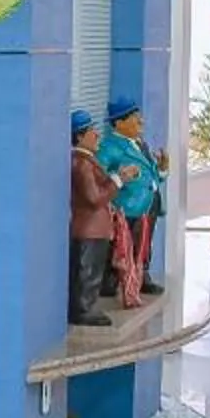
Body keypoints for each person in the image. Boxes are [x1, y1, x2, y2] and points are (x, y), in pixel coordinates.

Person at [96, 96, 168, 304]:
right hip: (128, 206)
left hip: (149, 202)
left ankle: (142, 275)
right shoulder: (110, 147)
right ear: (119, 123)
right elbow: (99, 174)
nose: (141, 123)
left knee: (145, 242)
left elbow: (151, 174)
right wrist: (120, 176)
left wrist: (162, 169)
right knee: (122, 244)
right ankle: (111, 282)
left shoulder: (140, 145)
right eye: (136, 119)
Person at [69, 111, 120, 328]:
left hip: (96, 228)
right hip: (89, 228)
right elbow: (94, 198)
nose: (97, 135)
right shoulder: (82, 165)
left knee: (93, 270)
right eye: (91, 131)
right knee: (87, 270)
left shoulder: (88, 161)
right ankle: (83, 309)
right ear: (79, 137)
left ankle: (88, 306)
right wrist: (118, 180)